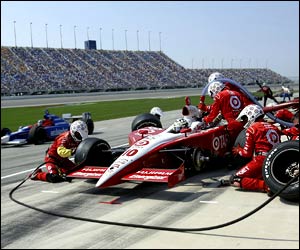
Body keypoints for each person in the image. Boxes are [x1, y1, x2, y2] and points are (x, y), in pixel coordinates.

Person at [221, 104, 281, 195]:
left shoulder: (252, 128)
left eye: (245, 118)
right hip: (277, 158)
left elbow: (246, 153)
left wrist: (238, 150)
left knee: (235, 179)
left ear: (251, 115)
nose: (244, 121)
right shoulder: (274, 127)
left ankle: (266, 186)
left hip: (262, 159)